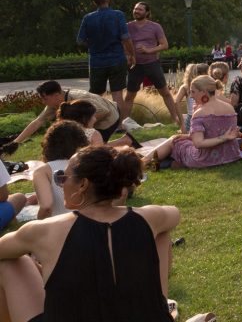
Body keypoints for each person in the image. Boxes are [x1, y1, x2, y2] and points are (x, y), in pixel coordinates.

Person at [0, 145, 179, 322]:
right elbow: (174, 214)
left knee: (9, 262)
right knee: (161, 233)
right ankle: (161, 307)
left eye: (62, 177)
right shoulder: (148, 217)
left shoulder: (43, 230)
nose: (61, 184)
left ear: (83, 184)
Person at [141, 76, 241, 170]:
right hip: (230, 156)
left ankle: (142, 163)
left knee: (173, 141)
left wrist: (223, 137)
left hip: (206, 160)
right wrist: (188, 136)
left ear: (204, 92)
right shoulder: (230, 108)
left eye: (193, 92)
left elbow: (198, 143)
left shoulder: (200, 113)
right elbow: (214, 133)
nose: (191, 96)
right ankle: (160, 162)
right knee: (178, 138)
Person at [75, 0, 136, 122]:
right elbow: (125, 37)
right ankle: (118, 124)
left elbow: (80, 40)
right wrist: (131, 54)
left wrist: (93, 44)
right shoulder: (118, 15)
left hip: (96, 61)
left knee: (95, 95)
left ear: (94, 2)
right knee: (117, 94)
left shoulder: (88, 18)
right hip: (116, 59)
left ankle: (92, 122)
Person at [11, 82, 128, 148]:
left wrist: (82, 126)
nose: (43, 102)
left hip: (110, 117)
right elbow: (38, 121)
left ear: (56, 95)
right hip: (93, 121)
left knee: (93, 150)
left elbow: (103, 111)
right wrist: (15, 142)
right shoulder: (53, 104)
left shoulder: (79, 97)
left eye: (45, 98)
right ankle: (123, 141)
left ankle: (124, 141)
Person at [125, 1, 183, 128]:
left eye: (140, 9)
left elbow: (165, 45)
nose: (136, 11)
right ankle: (123, 124)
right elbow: (123, 44)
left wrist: (148, 50)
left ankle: (175, 120)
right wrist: (128, 55)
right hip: (135, 65)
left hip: (152, 64)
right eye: (135, 9)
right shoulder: (127, 26)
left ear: (147, 12)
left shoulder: (155, 27)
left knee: (165, 93)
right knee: (130, 95)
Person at [31, 121, 89, 219]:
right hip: (94, 222)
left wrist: (38, 224)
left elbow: (46, 206)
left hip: (60, 225)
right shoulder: (90, 163)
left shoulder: (42, 171)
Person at [175, 62, 209, 133]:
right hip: (204, 116)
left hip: (191, 117)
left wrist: (182, 122)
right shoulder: (204, 85)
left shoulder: (185, 87)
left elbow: (176, 102)